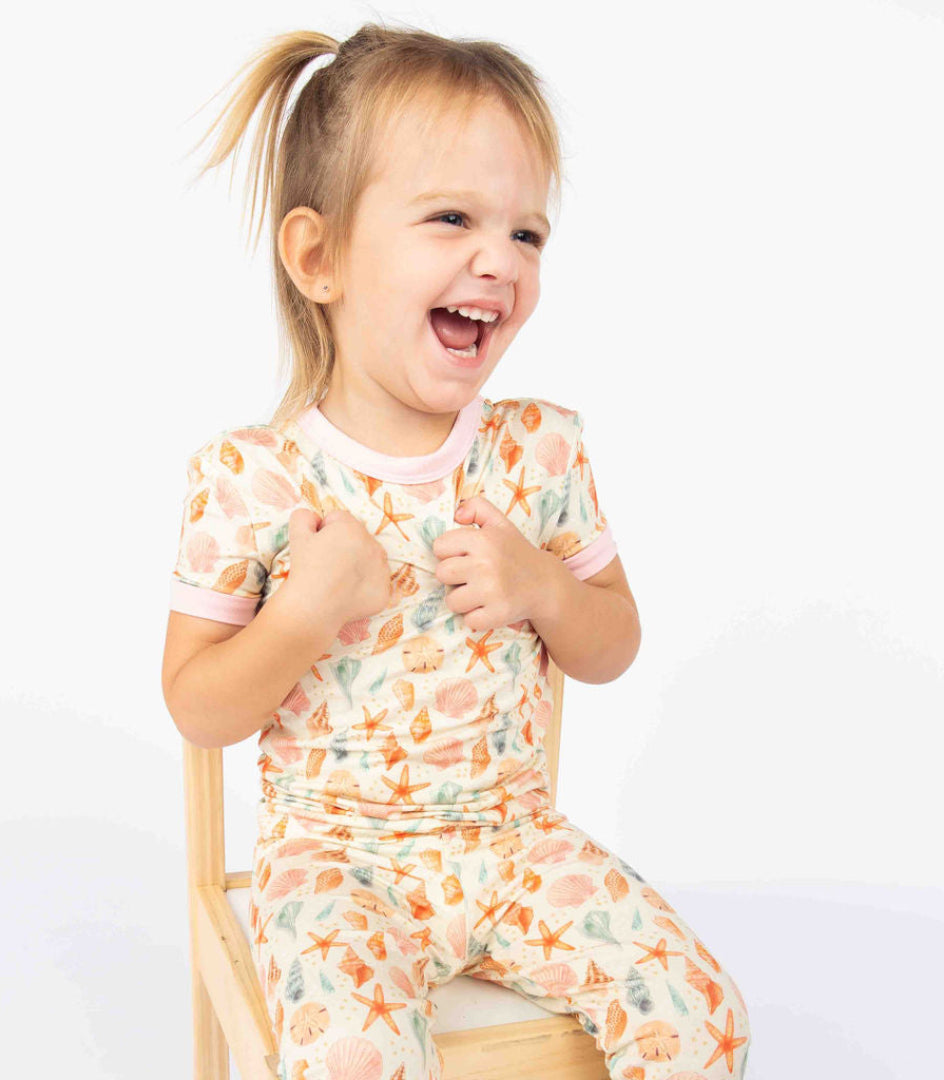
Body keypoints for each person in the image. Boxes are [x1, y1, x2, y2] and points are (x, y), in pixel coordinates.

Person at [161, 21, 751, 1080]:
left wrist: (541, 589)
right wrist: (299, 615)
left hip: (514, 844)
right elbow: (197, 705)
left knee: (700, 1010)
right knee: (351, 1052)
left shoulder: (541, 450)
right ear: (320, 256)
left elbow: (612, 643)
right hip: (335, 864)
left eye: (529, 233)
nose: (501, 260)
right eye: (452, 218)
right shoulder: (251, 480)